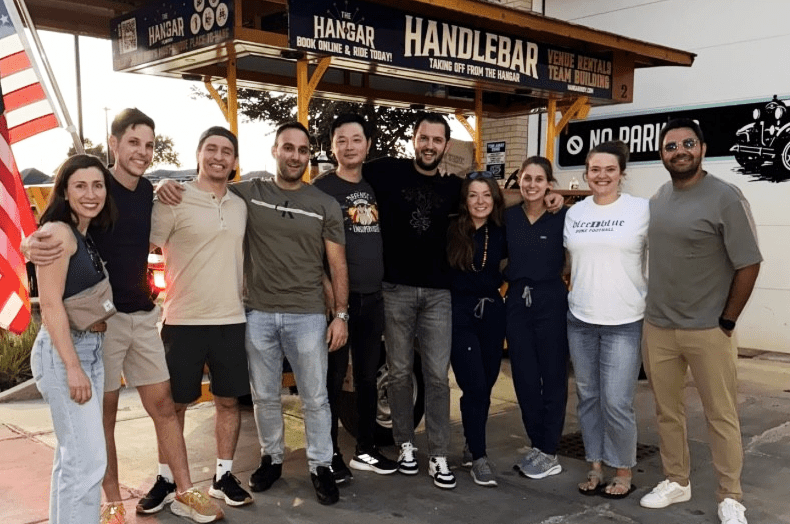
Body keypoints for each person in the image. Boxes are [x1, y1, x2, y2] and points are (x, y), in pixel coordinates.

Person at [23, 109, 223, 524]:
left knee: (164, 405)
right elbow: (56, 229)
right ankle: (112, 502)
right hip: (100, 325)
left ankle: (185, 491)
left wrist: (168, 185)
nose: (142, 152)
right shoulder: (97, 188)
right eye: (133, 142)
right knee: (102, 419)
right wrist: (31, 242)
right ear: (113, 144)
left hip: (142, 316)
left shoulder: (147, 190)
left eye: (149, 145)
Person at [158, 121, 349, 505]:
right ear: (275, 151)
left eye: (302, 150)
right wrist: (164, 184)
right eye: (287, 147)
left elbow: (337, 263)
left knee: (315, 397)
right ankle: (272, 458)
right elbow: (206, 187)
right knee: (263, 397)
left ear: (309, 156)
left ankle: (320, 465)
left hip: (308, 315)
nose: (295, 155)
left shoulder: (324, 204)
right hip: (257, 314)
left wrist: (340, 313)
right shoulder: (249, 193)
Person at [639, 119, 761, 524]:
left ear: (702, 148)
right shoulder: (659, 198)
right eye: (671, 146)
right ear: (662, 154)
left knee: (720, 415)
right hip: (658, 328)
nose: (679, 151)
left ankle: (731, 495)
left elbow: (748, 263)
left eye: (687, 143)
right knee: (666, 412)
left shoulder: (725, 197)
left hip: (708, 330)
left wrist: (727, 320)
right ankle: (677, 480)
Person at [149, 127, 253, 508]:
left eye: (227, 151)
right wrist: (158, 186)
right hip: (182, 320)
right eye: (211, 149)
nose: (219, 157)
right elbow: (143, 244)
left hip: (230, 319)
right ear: (198, 154)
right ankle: (164, 479)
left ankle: (223, 476)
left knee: (228, 403)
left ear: (235, 161)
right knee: (173, 407)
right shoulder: (173, 198)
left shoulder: (240, 205)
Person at [363, 112, 462, 489]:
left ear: (445, 146)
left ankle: (438, 454)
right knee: (400, 373)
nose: (429, 145)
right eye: (424, 138)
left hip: (438, 294)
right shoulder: (387, 171)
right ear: (414, 139)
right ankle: (405, 445)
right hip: (396, 290)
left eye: (437, 140)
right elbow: (345, 173)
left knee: (437, 377)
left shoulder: (453, 187)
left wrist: (549, 196)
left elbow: (496, 197)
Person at [29, 154, 116, 524]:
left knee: (73, 460)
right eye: (80, 185)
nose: (91, 193)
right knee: (88, 463)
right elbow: (49, 306)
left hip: (87, 349)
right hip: (68, 352)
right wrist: (73, 367)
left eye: (97, 185)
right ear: (64, 190)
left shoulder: (81, 232)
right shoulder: (59, 233)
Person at [313, 113, 398, 483]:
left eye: (356, 139)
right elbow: (313, 255)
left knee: (365, 379)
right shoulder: (320, 189)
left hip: (373, 299)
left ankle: (365, 449)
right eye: (341, 140)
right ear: (331, 147)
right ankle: (330, 453)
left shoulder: (375, 185)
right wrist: (334, 305)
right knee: (330, 382)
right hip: (336, 307)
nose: (349, 146)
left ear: (367, 145)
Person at [563, 141, 649, 498]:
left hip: (625, 320)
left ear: (621, 174)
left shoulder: (641, 210)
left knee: (616, 401)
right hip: (580, 317)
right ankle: (595, 465)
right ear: (586, 173)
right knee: (587, 397)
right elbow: (569, 263)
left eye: (609, 169)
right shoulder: (575, 213)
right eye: (595, 169)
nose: (602, 176)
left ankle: (623, 470)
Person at [506, 156, 569, 480]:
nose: (531, 184)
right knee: (525, 378)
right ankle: (537, 444)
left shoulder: (562, 216)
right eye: (526, 179)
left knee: (553, 378)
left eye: (538, 179)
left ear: (549, 184)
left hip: (551, 301)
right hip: (517, 302)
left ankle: (549, 449)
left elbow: (572, 258)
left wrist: (559, 199)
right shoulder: (508, 217)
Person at [446, 171, 507, 487]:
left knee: (487, 383)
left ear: (494, 199)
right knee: (475, 386)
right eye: (473, 194)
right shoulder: (451, 230)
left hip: (493, 313)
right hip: (460, 314)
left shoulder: (501, 231)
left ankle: (473, 442)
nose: (480, 201)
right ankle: (479, 456)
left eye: (486, 194)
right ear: (464, 199)